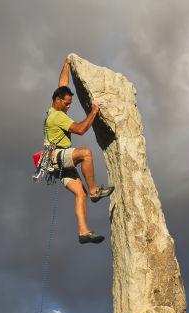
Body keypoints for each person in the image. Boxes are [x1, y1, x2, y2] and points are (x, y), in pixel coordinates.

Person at [44, 56, 114, 244]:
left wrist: (66, 65)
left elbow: (62, 85)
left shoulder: (54, 107)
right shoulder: (57, 117)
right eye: (66, 103)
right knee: (86, 153)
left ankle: (83, 232)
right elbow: (82, 130)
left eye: (69, 103)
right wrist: (94, 111)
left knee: (79, 194)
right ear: (57, 101)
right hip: (57, 156)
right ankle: (94, 192)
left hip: (56, 162)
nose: (69, 106)